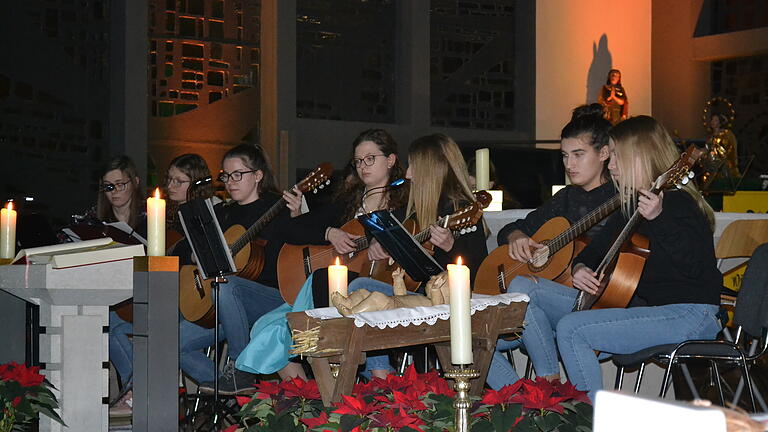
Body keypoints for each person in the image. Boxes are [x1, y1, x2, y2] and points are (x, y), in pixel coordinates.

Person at [500, 116, 722, 401]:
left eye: (616, 156)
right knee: (521, 287)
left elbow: (693, 268)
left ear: (641, 157)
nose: (612, 165)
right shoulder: (630, 207)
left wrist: (660, 218)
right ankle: (547, 384)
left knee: (572, 328)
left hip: (691, 313)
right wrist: (580, 267)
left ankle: (590, 421)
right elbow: (593, 254)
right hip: (643, 310)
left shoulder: (678, 203)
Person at [234, 128, 409, 378]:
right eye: (358, 161)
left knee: (312, 289)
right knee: (264, 326)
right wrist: (329, 233)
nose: (363, 166)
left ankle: (318, 378)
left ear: (390, 160)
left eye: (370, 158)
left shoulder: (401, 205)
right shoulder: (349, 203)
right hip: (329, 290)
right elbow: (288, 229)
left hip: (367, 291)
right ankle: (305, 394)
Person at [486, 104, 618, 389]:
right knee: (475, 340)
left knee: (522, 287)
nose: (569, 164)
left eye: (578, 155)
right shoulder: (566, 198)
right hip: (546, 305)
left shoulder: (620, 198)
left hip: (592, 303)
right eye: (564, 155)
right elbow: (510, 229)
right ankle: (523, 402)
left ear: (604, 153)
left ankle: (547, 384)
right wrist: (517, 237)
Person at [347, 133, 489, 378]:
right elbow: (383, 228)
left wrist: (451, 247)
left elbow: (478, 273)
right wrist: (377, 245)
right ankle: (380, 375)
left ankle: (381, 376)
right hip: (413, 295)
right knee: (360, 289)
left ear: (432, 170)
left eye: (413, 166)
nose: (408, 174)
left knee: (361, 287)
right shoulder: (412, 209)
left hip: (446, 303)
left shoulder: (461, 211)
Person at [180, 144, 303, 395]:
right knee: (172, 340)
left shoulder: (278, 207)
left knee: (227, 283)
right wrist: (197, 253)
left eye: (238, 174)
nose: (230, 182)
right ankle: (231, 387)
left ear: (258, 175)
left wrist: (298, 216)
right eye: (225, 175)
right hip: (229, 305)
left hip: (270, 300)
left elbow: (301, 244)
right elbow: (184, 248)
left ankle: (240, 367)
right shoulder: (223, 213)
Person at [100, 155, 146, 416]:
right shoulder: (95, 223)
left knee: (109, 322)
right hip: (112, 299)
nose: (115, 191)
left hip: (141, 300)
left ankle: (133, 390)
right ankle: (135, 389)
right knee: (100, 318)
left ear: (135, 183)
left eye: (120, 184)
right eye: (108, 186)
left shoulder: (151, 220)